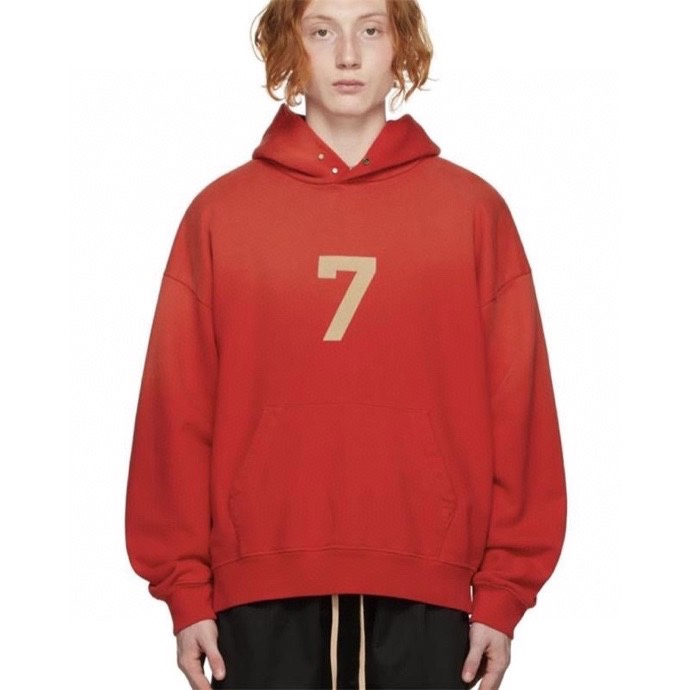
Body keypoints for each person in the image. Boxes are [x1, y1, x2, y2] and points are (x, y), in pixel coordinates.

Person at [124, 0, 567, 688]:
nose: (349, 55)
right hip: (258, 595)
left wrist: (505, 591)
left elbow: (521, 410)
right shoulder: (220, 215)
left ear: (402, 46)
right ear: (288, 46)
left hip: (432, 595)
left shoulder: (474, 213)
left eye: (371, 28)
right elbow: (175, 412)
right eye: (322, 31)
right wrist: (184, 588)